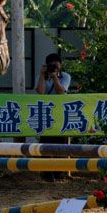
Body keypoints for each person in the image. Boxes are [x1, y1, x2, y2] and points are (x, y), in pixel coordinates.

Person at [35, 53, 71, 182]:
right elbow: (40, 91)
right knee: (46, 142)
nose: (54, 66)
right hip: (46, 115)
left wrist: (55, 77)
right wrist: (42, 75)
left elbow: (61, 91)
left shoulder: (65, 76)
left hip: (61, 115)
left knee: (60, 144)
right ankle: (46, 172)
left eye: (56, 63)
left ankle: (59, 171)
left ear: (60, 65)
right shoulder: (43, 77)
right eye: (51, 63)